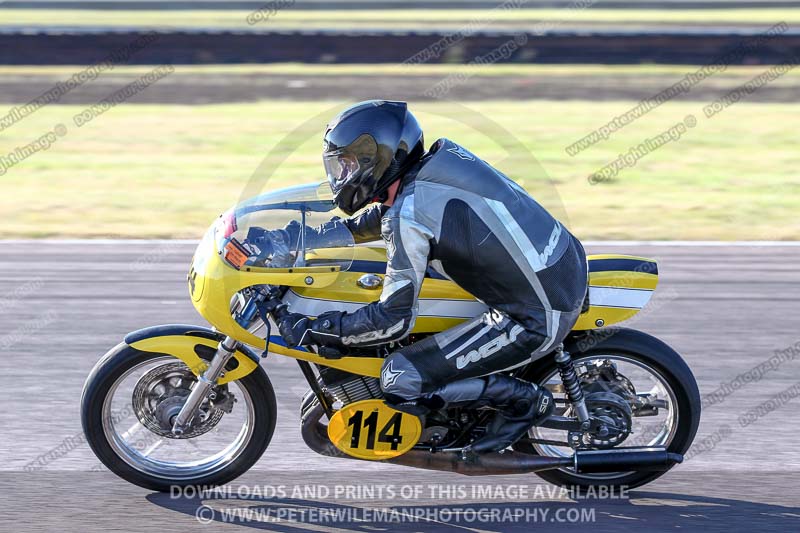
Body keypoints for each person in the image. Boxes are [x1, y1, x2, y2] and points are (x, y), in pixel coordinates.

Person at [274, 100, 588, 454]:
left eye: (346, 165)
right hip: (561, 263)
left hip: (534, 315)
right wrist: (305, 237)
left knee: (400, 375)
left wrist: (319, 327)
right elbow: (383, 216)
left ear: (376, 160)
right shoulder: (437, 163)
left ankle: (526, 402)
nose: (340, 177)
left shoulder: (406, 215)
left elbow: (394, 320)